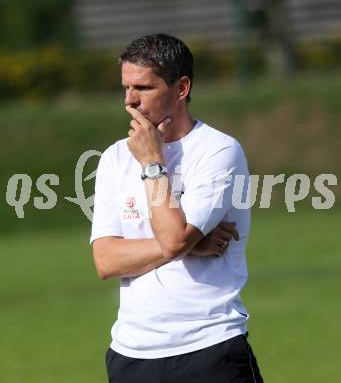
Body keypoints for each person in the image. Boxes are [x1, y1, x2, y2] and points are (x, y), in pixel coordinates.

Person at [90, 33, 263, 383]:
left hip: (210, 350)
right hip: (131, 357)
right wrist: (191, 244)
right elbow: (106, 261)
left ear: (181, 88)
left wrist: (153, 163)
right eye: (126, 88)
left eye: (143, 88)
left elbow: (171, 239)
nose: (130, 101)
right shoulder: (113, 158)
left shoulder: (219, 151)